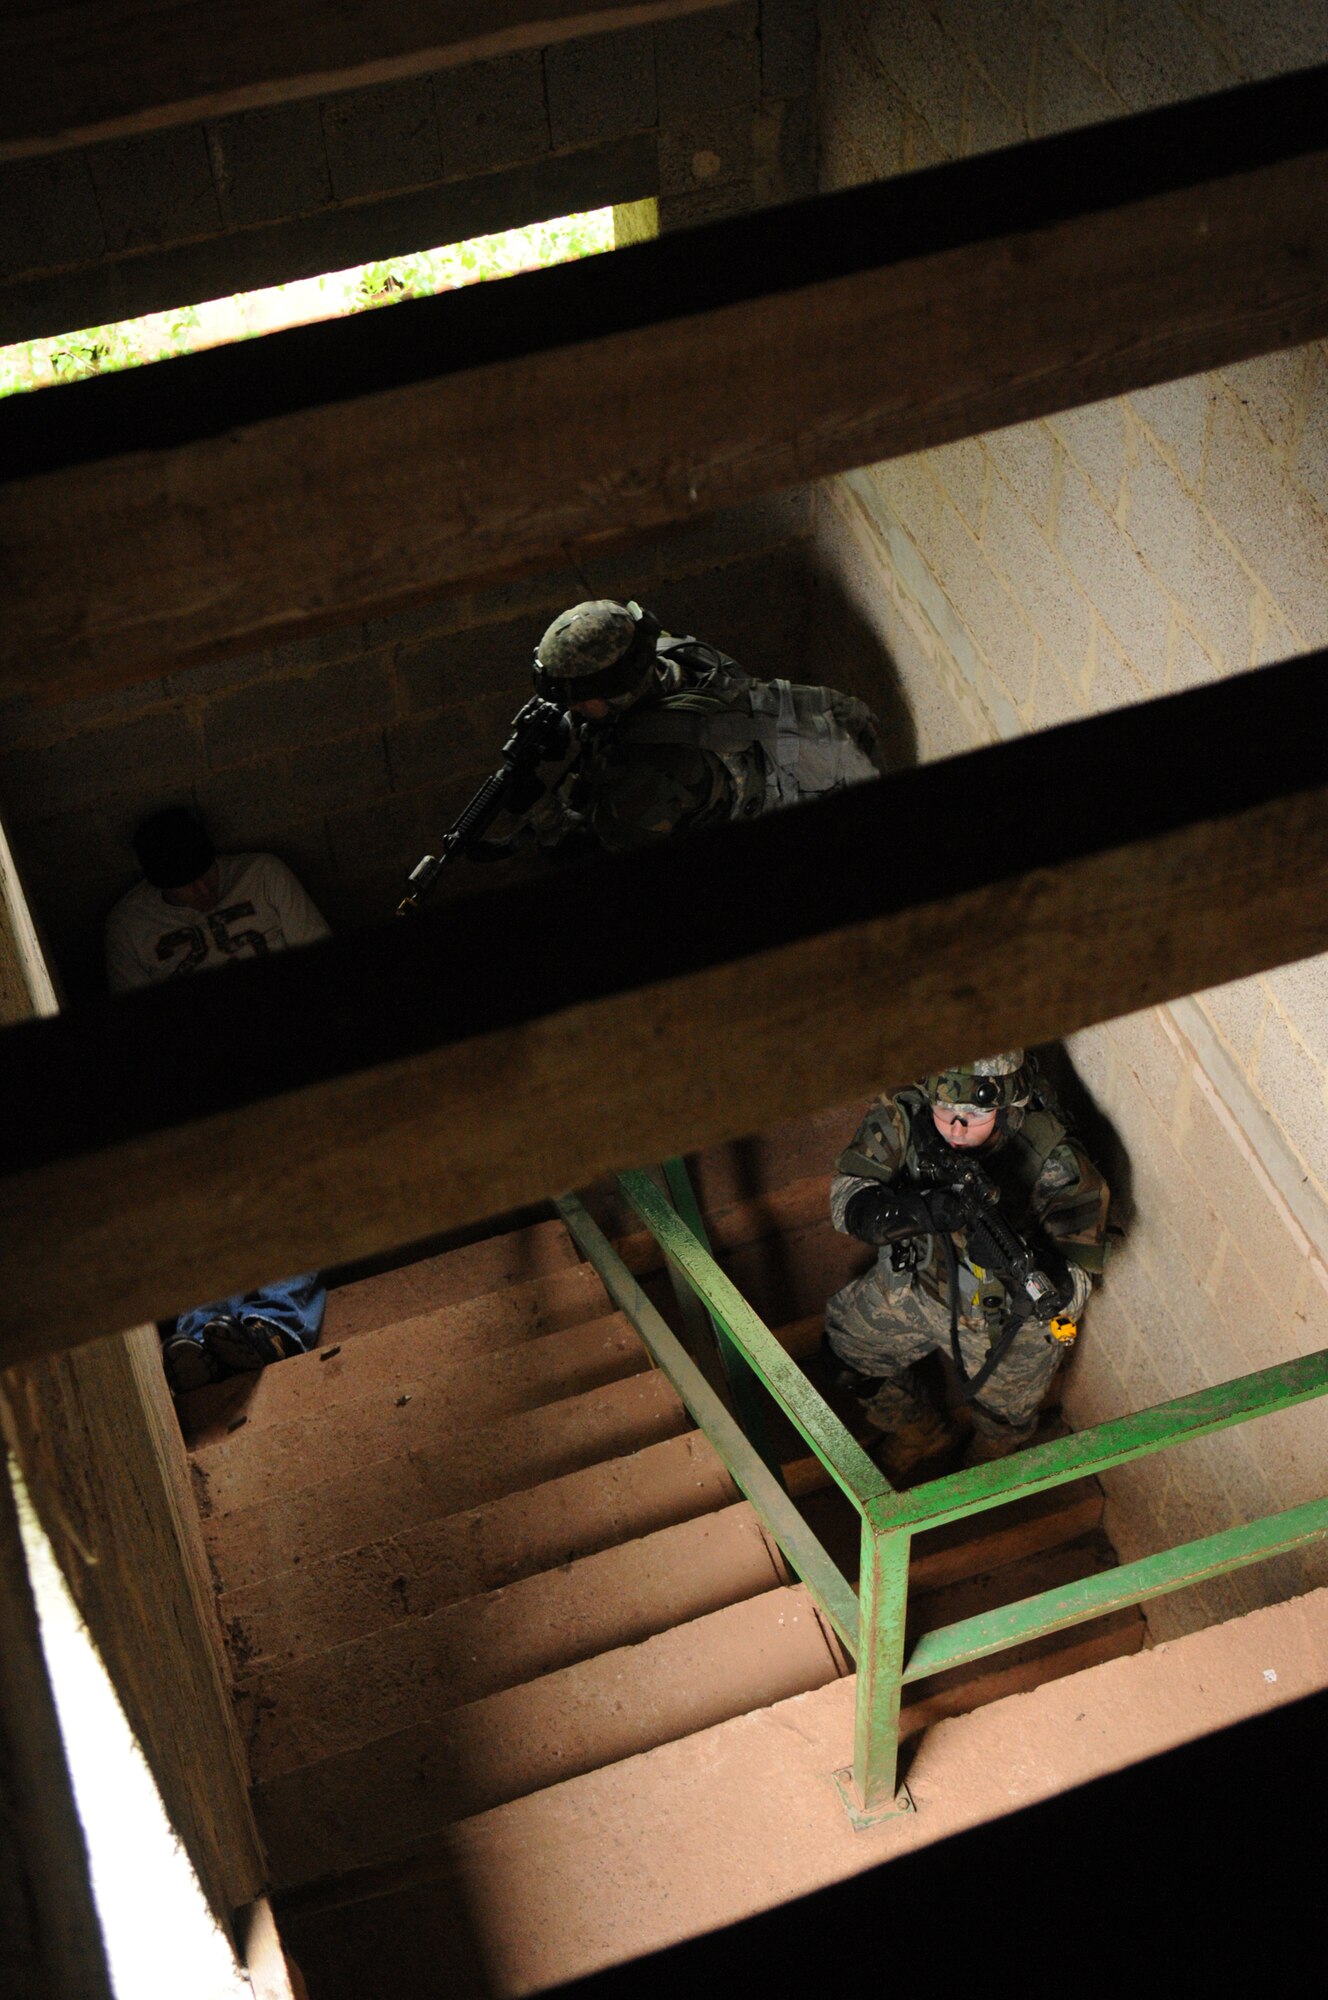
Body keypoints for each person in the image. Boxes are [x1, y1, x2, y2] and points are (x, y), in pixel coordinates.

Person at [104, 806, 332, 1393]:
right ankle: (202, 1332)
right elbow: (138, 1038)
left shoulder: (262, 875)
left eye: (208, 873)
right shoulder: (130, 924)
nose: (205, 890)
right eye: (188, 885)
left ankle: (274, 1323)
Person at [824, 1051, 1110, 1482]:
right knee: (848, 1359)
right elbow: (847, 1195)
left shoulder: (1058, 1166)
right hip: (913, 1283)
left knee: (1005, 1419)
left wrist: (1027, 1266)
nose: (956, 1128)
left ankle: (984, 1470)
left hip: (1001, 1321)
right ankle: (920, 1431)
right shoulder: (908, 1115)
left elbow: (1077, 1288)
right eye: (945, 1110)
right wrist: (911, 1213)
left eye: (974, 1115)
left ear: (1008, 1106)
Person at [480, 597, 886, 858]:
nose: (569, 707)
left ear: (616, 688)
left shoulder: (659, 767)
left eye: (576, 699)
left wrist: (540, 809)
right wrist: (570, 726)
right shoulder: (670, 655)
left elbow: (593, 853)